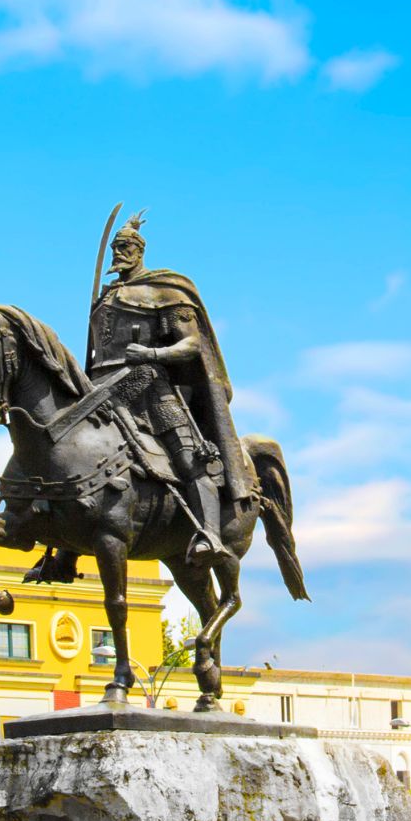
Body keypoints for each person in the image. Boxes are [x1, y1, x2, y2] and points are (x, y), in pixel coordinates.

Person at [86, 213, 251, 563]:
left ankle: (210, 533)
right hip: (99, 390)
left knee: (190, 459)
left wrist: (151, 353)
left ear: (140, 251)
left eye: (126, 247)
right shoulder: (106, 298)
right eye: (116, 248)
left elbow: (192, 344)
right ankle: (61, 547)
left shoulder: (165, 290)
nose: (119, 253)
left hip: (148, 387)